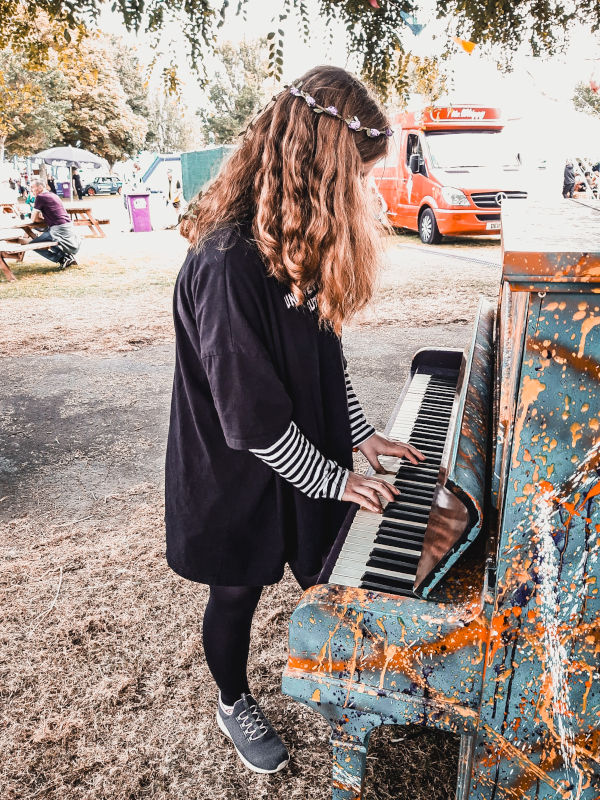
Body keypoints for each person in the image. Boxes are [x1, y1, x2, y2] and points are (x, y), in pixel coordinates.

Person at [165, 65, 426, 775]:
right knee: (237, 588)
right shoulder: (225, 263)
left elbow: (325, 349)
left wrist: (362, 433)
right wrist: (338, 479)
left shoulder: (292, 234)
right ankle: (231, 698)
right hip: (232, 466)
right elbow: (250, 421)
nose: (364, 195)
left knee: (325, 565)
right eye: (359, 180)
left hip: (304, 453)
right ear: (320, 165)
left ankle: (331, 678)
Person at [29, 178, 81, 268]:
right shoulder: (53, 195)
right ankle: (67, 257)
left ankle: (61, 259)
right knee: (48, 240)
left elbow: (33, 219)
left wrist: (41, 219)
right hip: (67, 226)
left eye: (32, 187)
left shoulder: (40, 197)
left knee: (32, 245)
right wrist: (46, 218)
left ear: (40, 187)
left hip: (58, 229)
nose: (31, 190)